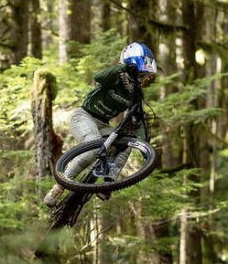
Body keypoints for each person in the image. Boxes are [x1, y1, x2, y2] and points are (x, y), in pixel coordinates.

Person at [43, 42, 158, 208]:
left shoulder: (135, 94)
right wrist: (123, 68)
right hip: (83, 117)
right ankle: (58, 187)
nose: (142, 79)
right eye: (139, 74)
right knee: (94, 147)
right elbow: (99, 77)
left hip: (103, 124)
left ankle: (108, 182)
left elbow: (138, 119)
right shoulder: (115, 77)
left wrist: (144, 147)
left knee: (125, 144)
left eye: (144, 75)